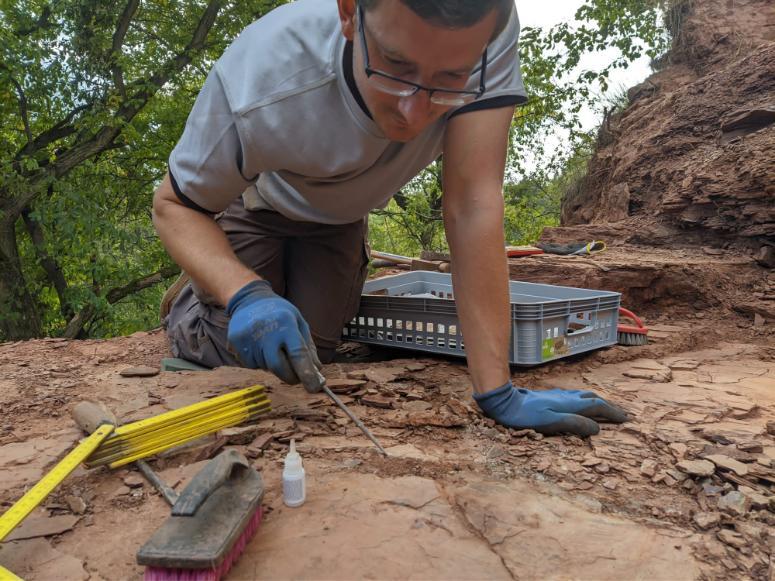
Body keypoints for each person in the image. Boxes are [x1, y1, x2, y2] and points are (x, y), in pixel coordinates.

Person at [153, 0, 627, 436]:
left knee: (308, 354)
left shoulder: (484, 30)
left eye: (451, 77)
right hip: (259, 205)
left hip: (341, 219)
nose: (413, 113)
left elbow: (472, 204)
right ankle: (191, 303)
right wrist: (244, 293)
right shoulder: (260, 75)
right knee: (242, 353)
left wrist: (497, 391)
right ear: (349, 13)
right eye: (396, 65)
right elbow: (175, 205)